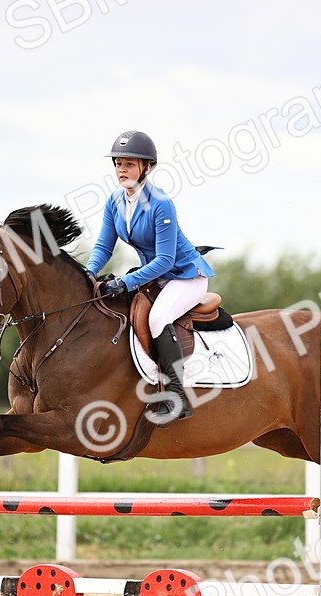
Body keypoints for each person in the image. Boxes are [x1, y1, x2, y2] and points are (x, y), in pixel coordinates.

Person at [85, 130, 215, 422]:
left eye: (129, 164)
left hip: (184, 276)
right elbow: (104, 246)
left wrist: (127, 281)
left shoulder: (161, 203)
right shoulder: (114, 202)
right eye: (118, 163)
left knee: (157, 319)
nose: (122, 170)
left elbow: (166, 259)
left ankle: (178, 398)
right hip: (154, 277)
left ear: (147, 168)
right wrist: (87, 273)